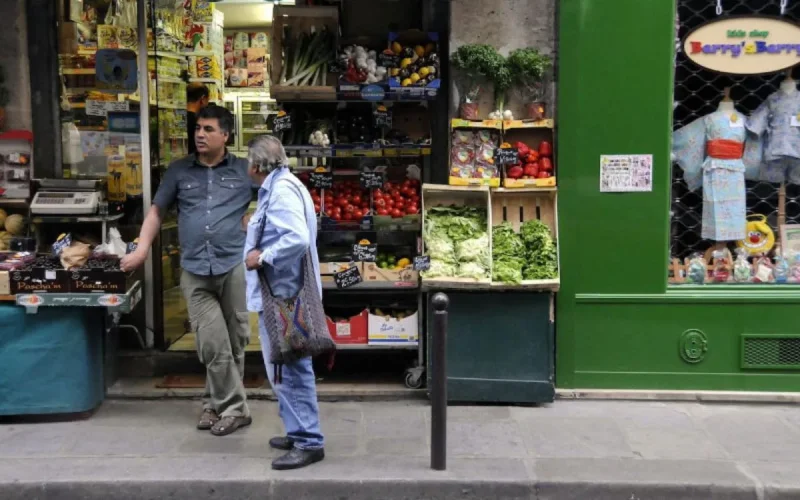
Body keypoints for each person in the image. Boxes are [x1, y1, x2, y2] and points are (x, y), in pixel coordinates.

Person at [121, 106, 253, 436]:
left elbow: (272, 200)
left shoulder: (244, 169)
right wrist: (141, 250)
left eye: (208, 129)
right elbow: (156, 212)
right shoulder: (179, 170)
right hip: (195, 269)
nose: (200, 134)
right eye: (198, 128)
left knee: (235, 340)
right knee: (212, 343)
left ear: (225, 135)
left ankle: (213, 403)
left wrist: (255, 220)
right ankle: (236, 409)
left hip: (233, 265)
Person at [243, 135, 325, 470]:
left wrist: (262, 256)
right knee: (285, 366)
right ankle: (297, 429)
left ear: (257, 165)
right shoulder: (283, 186)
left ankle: (308, 441)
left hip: (286, 298)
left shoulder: (280, 192)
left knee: (291, 368)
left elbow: (297, 238)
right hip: (284, 295)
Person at [186, 83, 210, 155]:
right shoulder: (202, 122)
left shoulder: (179, 117)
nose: (207, 104)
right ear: (202, 99)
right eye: (207, 100)